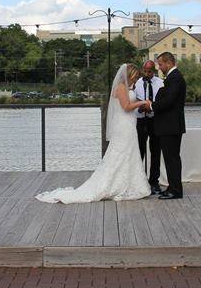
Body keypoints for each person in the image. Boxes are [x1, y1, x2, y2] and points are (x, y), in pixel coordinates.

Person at [36, 64, 152, 203]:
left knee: (130, 153)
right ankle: (114, 185)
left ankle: (131, 184)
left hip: (130, 124)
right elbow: (126, 107)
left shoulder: (128, 88)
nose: (136, 80)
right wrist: (143, 103)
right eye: (135, 77)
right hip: (123, 126)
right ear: (129, 75)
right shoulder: (121, 87)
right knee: (120, 154)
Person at [148, 52, 186, 200]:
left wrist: (151, 106)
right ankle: (172, 186)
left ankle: (176, 190)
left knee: (172, 159)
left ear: (169, 63)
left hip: (171, 125)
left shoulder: (175, 78)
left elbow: (169, 101)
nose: (159, 67)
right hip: (169, 125)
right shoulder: (172, 78)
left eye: (161, 64)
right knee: (170, 158)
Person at [133, 60, 164, 194]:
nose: (147, 74)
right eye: (145, 71)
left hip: (155, 120)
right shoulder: (137, 83)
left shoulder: (160, 83)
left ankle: (154, 182)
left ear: (154, 70)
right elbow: (133, 101)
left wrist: (152, 107)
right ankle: (139, 181)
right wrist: (140, 107)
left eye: (150, 71)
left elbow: (162, 102)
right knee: (139, 150)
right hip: (141, 121)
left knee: (155, 151)